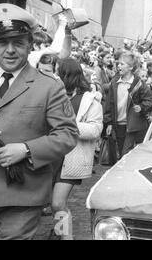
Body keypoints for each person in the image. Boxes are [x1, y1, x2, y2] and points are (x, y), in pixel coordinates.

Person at [0, 3, 79, 240]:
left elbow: (68, 134)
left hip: (22, 195)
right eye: (2, 43)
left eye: (17, 43)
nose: (9, 50)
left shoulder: (49, 86)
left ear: (30, 45)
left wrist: (26, 149)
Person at [50, 59, 103, 240]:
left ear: (67, 74)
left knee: (58, 203)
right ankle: (59, 232)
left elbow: (95, 130)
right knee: (53, 204)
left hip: (72, 158)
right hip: (51, 156)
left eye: (58, 72)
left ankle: (66, 237)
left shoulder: (90, 99)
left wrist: (69, 125)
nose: (56, 75)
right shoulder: (56, 94)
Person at [104, 52, 152, 157]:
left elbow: (150, 100)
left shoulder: (139, 83)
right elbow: (109, 103)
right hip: (118, 125)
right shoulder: (114, 82)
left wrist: (141, 107)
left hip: (132, 125)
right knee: (121, 151)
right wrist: (109, 122)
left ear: (131, 67)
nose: (118, 66)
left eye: (122, 64)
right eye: (118, 64)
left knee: (125, 153)